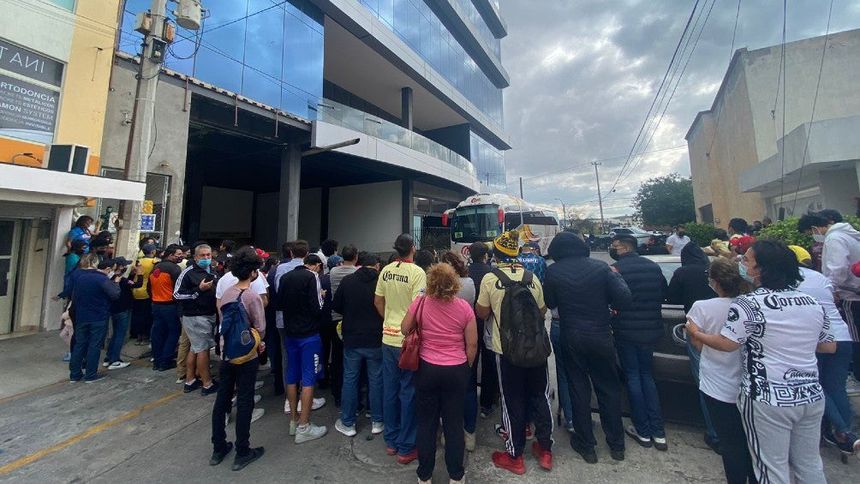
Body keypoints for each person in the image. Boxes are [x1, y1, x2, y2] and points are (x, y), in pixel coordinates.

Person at [688, 240, 836, 484]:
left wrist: (696, 332)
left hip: (768, 397)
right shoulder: (811, 302)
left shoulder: (749, 304)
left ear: (761, 269)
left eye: (746, 260)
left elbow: (727, 343)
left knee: (770, 467)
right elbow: (829, 346)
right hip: (810, 394)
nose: (741, 264)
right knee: (809, 464)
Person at [544, 231, 631, 464]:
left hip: (571, 336)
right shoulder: (602, 268)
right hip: (601, 335)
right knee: (608, 388)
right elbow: (624, 298)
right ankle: (617, 444)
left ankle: (586, 445)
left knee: (578, 389)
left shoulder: (553, 271)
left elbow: (550, 302)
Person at [476, 231, 553, 475]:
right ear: (517, 253)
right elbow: (542, 311)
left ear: (496, 254)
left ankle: (514, 454)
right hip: (536, 348)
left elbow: (482, 313)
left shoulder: (491, 279)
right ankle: (545, 449)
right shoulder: (532, 277)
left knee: (512, 399)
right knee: (540, 396)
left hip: (506, 350)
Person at [401, 263, 477, 484]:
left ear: (430, 282)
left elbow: (404, 329)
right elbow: (472, 344)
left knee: (426, 423)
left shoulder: (421, 302)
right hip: (456, 369)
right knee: (454, 424)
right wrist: (465, 367)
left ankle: (424, 475)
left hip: (427, 368)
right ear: (454, 283)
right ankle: (456, 475)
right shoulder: (464, 308)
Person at [685, 258, 755, 483]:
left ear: (714, 282)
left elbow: (698, 345)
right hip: (751, 382)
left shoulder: (702, 308)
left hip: (717, 382)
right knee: (753, 442)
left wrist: (697, 334)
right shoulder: (752, 305)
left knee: (730, 442)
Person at [789, 245, 860, 455]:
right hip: (842, 335)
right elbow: (834, 298)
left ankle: (842, 430)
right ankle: (845, 437)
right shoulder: (821, 278)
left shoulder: (788, 280)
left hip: (817, 339)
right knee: (836, 387)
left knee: (815, 385)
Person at [609, 234, 668, 451]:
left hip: (625, 330)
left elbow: (610, 298)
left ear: (624, 247)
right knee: (647, 376)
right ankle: (658, 432)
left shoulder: (616, 269)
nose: (613, 249)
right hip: (650, 330)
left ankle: (642, 430)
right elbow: (664, 293)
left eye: (615, 246)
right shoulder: (653, 267)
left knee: (633, 376)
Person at [210, 247, 266, 472]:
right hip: (247, 355)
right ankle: (243, 450)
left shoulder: (226, 294)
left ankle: (218, 447)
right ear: (253, 272)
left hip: (226, 352)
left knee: (222, 398)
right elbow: (260, 327)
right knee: (244, 400)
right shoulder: (252, 297)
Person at [374, 234, 426, 464]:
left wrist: (389, 321)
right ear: (413, 248)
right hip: (408, 341)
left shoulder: (386, 271)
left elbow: (378, 301)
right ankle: (406, 446)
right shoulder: (417, 273)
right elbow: (417, 308)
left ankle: (391, 441)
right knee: (408, 392)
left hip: (387, 338)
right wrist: (405, 327)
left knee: (390, 389)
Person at [667, 243, 719, 452]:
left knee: (705, 381)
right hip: (726, 332)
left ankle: (715, 432)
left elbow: (671, 298)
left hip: (696, 330)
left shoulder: (683, 273)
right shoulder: (714, 270)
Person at [798, 211, 860, 384]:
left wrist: (831, 290)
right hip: (855, 290)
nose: (813, 236)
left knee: (854, 335)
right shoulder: (850, 234)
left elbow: (837, 268)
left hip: (849, 293)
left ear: (814, 228)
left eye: (810, 233)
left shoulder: (834, 238)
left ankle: (857, 372)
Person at [277, 253, 328, 443]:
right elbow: (318, 307)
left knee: (292, 375)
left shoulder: (285, 277)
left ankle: (294, 419)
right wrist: (322, 297)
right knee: (308, 378)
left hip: (291, 332)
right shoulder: (312, 277)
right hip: (309, 334)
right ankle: (304, 425)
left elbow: (279, 303)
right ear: (316, 266)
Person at [333, 252, 385, 437]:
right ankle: (377, 420)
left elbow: (336, 306)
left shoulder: (348, 281)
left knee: (350, 379)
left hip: (352, 338)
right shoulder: (380, 281)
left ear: (359, 264)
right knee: (376, 379)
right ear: (376, 266)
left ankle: (348, 422)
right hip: (376, 337)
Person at [439, 251, 478, 450]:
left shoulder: (436, 289)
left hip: (443, 345)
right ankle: (469, 434)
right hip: (466, 339)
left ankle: (449, 432)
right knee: (469, 390)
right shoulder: (469, 284)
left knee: (447, 392)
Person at [174, 244, 219, 395]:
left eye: (208, 255)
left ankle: (190, 379)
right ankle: (207, 383)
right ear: (195, 257)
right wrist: (198, 290)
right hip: (195, 316)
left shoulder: (211, 270)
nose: (206, 258)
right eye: (202, 255)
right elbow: (177, 294)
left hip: (208, 313)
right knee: (202, 349)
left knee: (195, 348)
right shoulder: (188, 273)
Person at [69, 255, 121, 383]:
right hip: (98, 316)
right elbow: (115, 294)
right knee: (94, 345)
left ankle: (75, 374)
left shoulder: (80, 278)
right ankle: (90, 374)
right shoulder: (101, 279)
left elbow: (74, 296)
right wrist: (116, 283)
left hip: (81, 316)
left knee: (79, 345)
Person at [467, 242, 497, 418]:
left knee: (470, 361)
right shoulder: (491, 273)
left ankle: (469, 398)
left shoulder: (465, 272)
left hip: (468, 324)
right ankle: (487, 403)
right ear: (485, 255)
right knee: (489, 363)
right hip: (487, 322)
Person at [149, 244, 184, 371]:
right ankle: (166, 360)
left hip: (156, 304)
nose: (181, 256)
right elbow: (178, 289)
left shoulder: (155, 268)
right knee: (173, 332)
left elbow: (149, 288)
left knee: (158, 333)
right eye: (178, 254)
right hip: (169, 305)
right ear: (170, 255)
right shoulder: (175, 269)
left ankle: (157, 360)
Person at [103, 257, 141, 370]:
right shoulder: (121, 279)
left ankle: (109, 357)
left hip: (114, 309)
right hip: (123, 309)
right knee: (120, 335)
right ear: (120, 267)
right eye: (125, 265)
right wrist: (140, 274)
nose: (127, 267)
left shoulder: (110, 278)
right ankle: (114, 360)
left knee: (115, 334)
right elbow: (136, 285)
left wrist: (131, 275)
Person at [319, 254, 343, 397]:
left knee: (324, 349)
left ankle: (322, 379)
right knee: (336, 353)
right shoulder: (340, 280)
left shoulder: (321, 279)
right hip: (336, 319)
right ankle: (335, 380)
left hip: (323, 320)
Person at [130, 244, 158, 345]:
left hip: (136, 290)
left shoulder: (138, 261)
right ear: (153, 252)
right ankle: (145, 336)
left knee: (137, 314)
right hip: (147, 291)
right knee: (147, 315)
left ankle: (138, 336)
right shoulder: (154, 262)